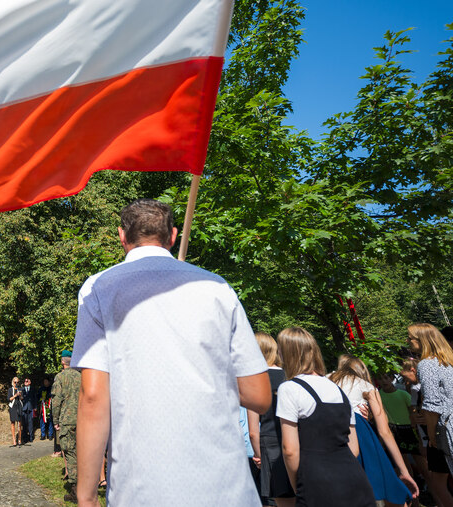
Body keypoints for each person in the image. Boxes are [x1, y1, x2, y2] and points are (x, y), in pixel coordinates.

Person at [72, 199, 272, 507]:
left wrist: (85, 496)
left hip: (141, 489)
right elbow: (259, 396)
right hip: (227, 487)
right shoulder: (217, 287)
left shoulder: (99, 287)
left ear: (122, 237)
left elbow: (93, 396)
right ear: (173, 236)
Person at [275, 327, 375, 507]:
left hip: (316, 481)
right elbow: (354, 448)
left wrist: (298, 486)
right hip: (354, 478)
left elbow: (290, 450)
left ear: (287, 354)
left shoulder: (289, 388)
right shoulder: (337, 389)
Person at [330, 354, 417, 505]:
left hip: (329, 435)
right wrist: (404, 471)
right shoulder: (366, 386)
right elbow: (385, 432)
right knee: (387, 487)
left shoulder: (326, 381)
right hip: (361, 435)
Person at [407, 322, 453, 507]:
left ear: (423, 340)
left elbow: (432, 404)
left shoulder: (426, 364)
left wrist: (432, 436)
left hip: (447, 426)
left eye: (410, 337)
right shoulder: (448, 360)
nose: (407, 341)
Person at [247, 332, 294, 507]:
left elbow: (253, 431)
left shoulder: (256, 380)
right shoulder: (289, 376)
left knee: (273, 497)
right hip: (295, 442)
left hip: (269, 444)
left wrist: (258, 455)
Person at [50, 351, 79, 502]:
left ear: (62, 362)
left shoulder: (60, 377)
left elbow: (56, 401)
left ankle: (76, 491)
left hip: (67, 421)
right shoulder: (82, 376)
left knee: (70, 454)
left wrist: (55, 420)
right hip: (83, 420)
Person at [7, 377, 24, 446]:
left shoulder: (20, 389)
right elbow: (9, 399)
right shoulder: (10, 390)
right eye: (15, 382)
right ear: (12, 382)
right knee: (13, 423)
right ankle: (14, 440)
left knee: (19, 423)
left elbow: (22, 398)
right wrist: (15, 395)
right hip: (13, 407)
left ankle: (19, 439)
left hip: (19, 406)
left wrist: (20, 396)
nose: (16, 384)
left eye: (17, 382)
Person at [20, 377, 36, 443]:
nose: (25, 382)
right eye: (25, 381)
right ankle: (25, 438)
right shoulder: (21, 389)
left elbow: (35, 398)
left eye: (27, 381)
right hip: (24, 408)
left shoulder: (33, 389)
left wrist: (35, 407)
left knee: (30, 423)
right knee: (24, 423)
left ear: (30, 382)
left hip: (30, 408)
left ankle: (31, 437)